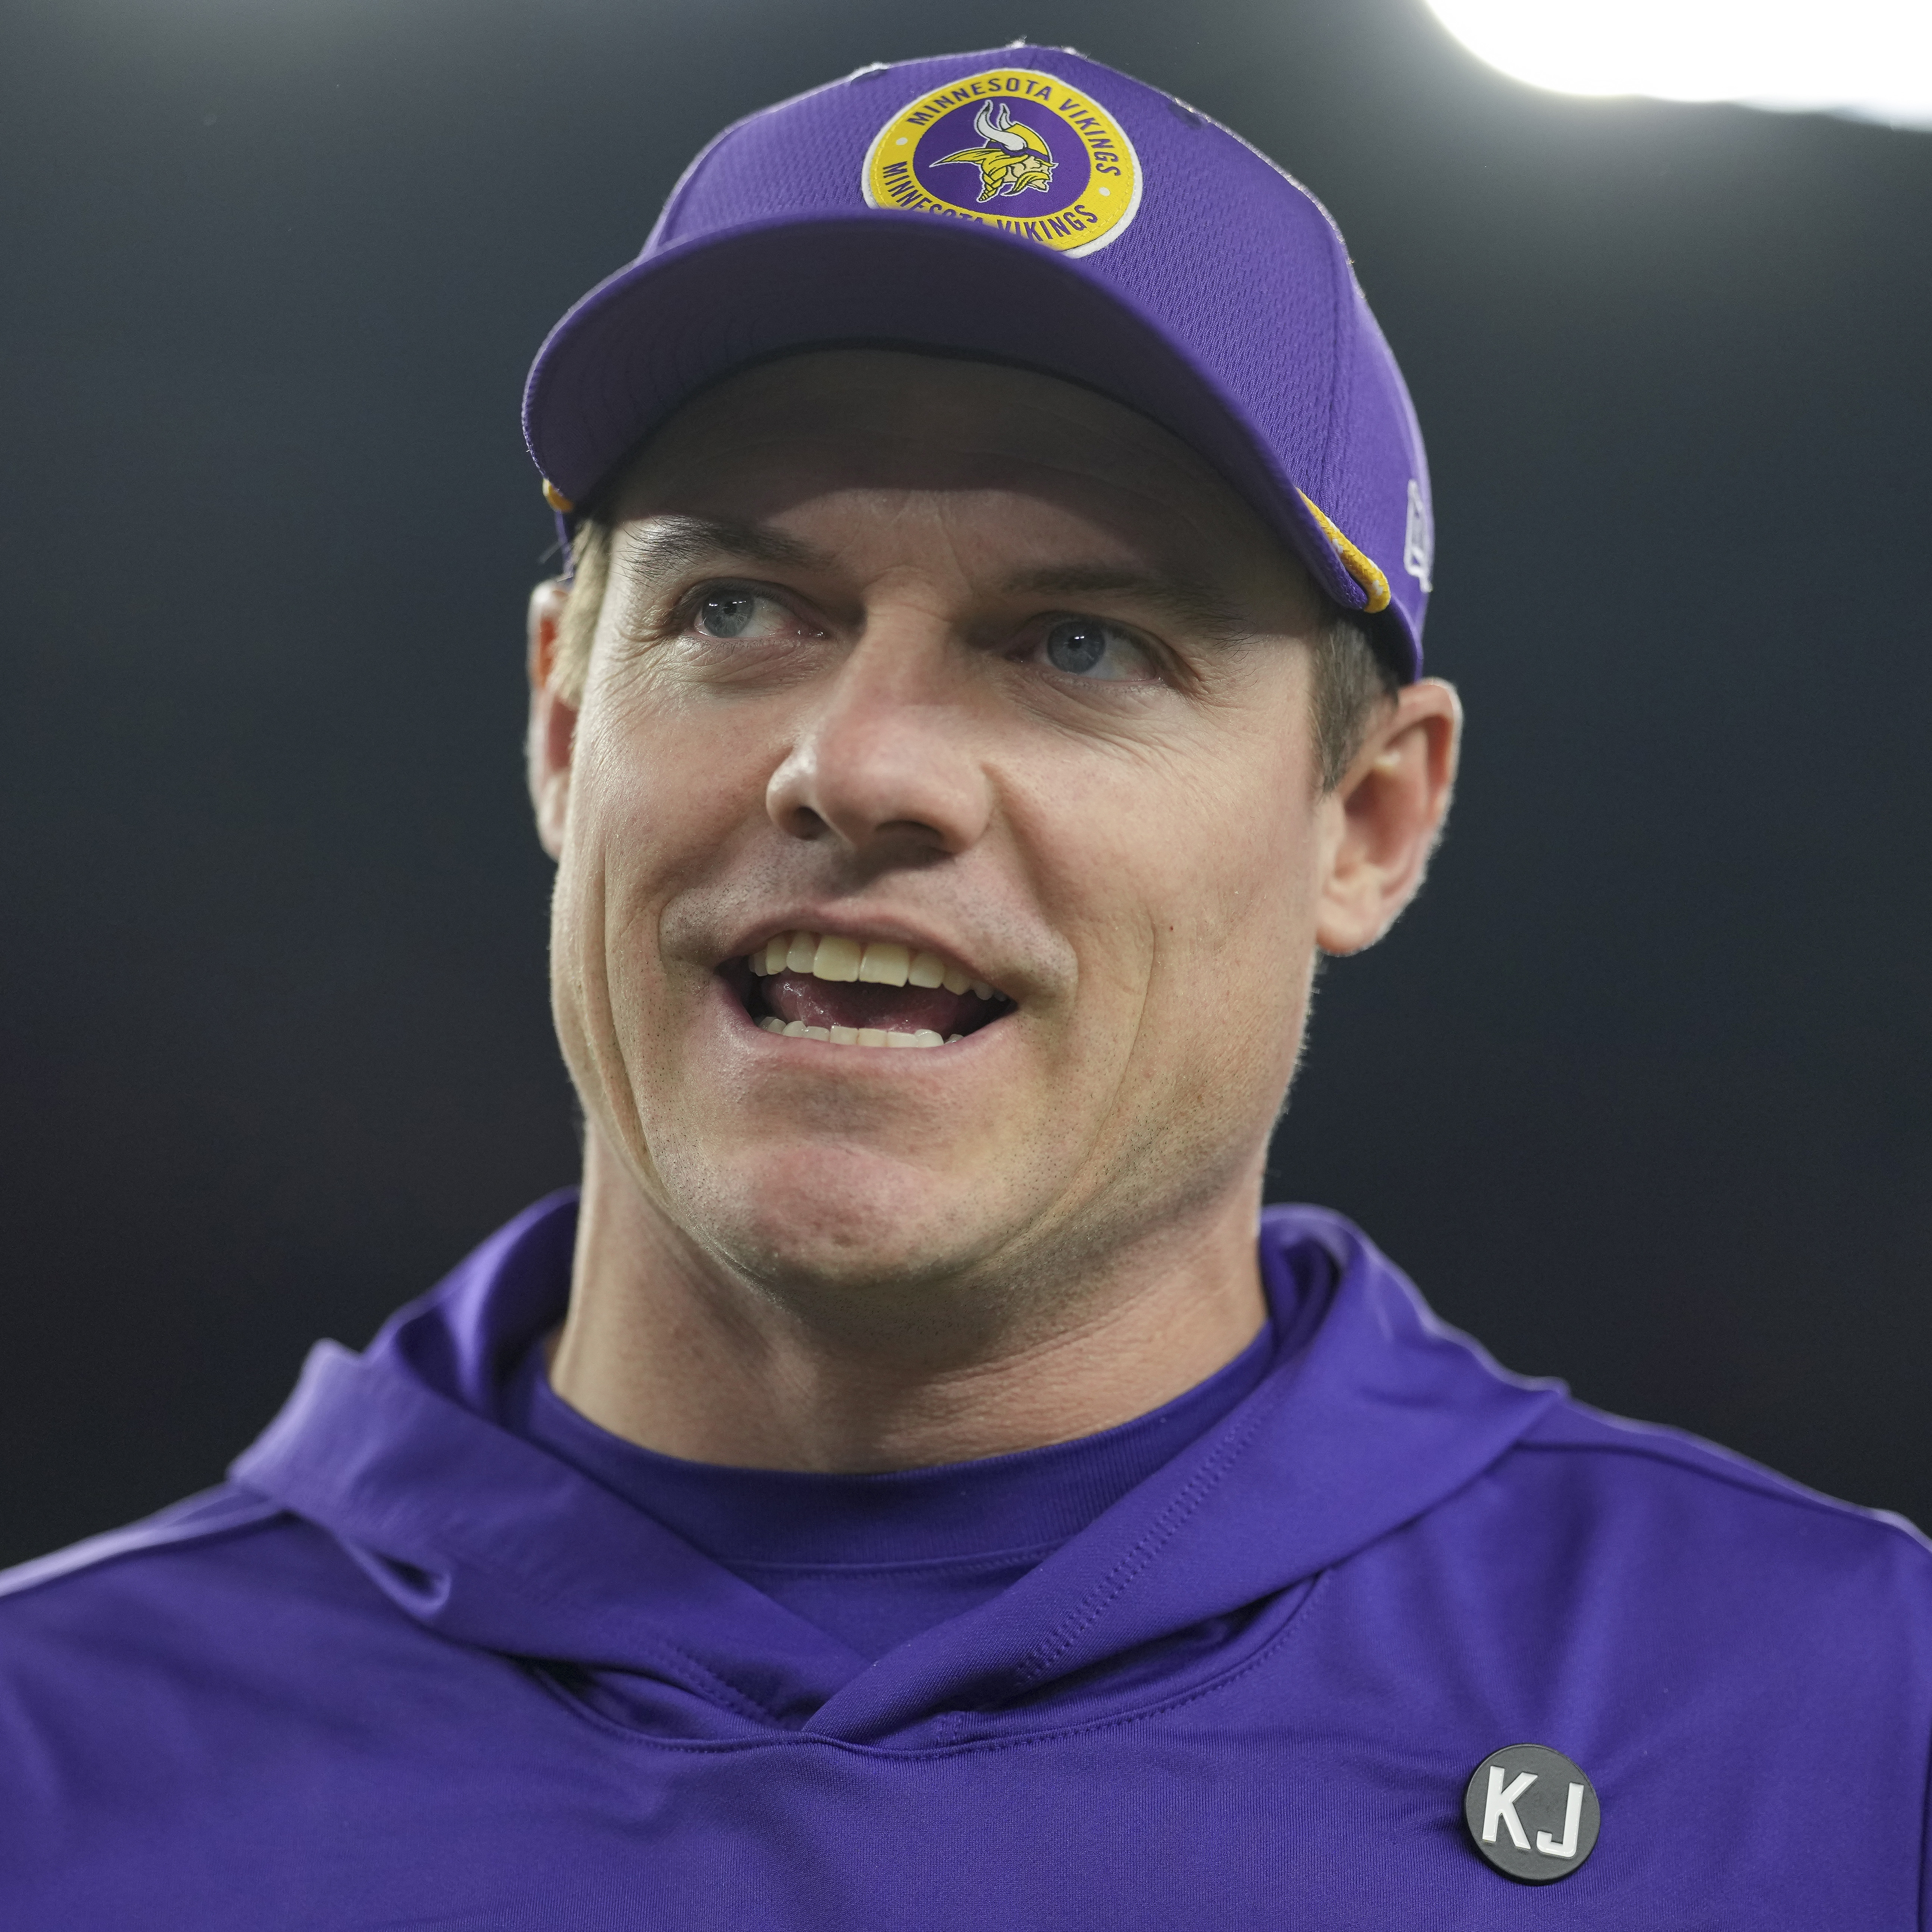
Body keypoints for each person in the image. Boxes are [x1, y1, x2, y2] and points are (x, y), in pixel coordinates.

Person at [2, 44, 1926, 1930]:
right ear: (567, 720)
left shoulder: (1850, 1723)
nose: (862, 763)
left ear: (1368, 819)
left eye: (1080, 643)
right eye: (741, 610)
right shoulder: (47, 1764)